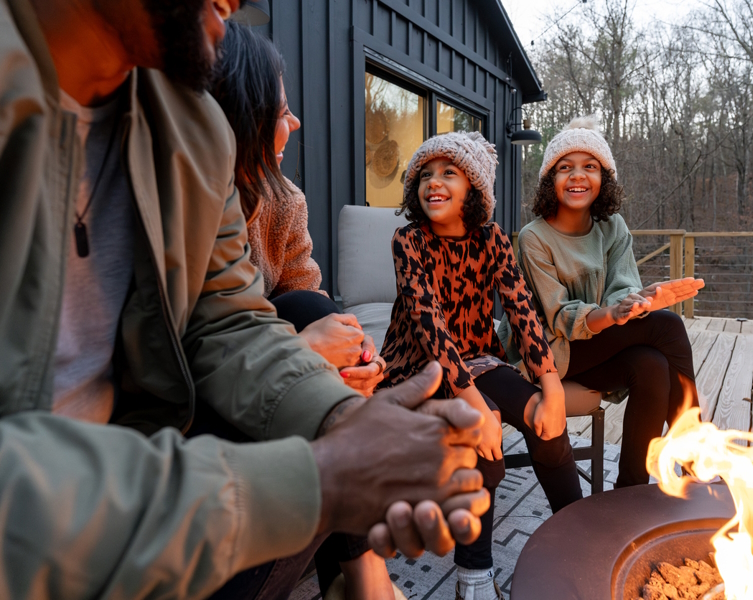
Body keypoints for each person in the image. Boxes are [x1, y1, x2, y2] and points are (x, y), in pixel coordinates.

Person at [0, 0, 490, 597]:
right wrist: (320, 479)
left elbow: (229, 319)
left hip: (145, 469)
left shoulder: (192, 127)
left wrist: (348, 419)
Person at [208, 23, 395, 598]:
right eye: (281, 112)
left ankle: (359, 571)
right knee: (309, 325)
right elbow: (206, 335)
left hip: (267, 376)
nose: (293, 124)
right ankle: (363, 573)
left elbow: (306, 299)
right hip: (216, 397)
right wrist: (302, 352)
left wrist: (362, 358)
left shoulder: (283, 201)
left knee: (311, 306)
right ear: (239, 115)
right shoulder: (190, 205)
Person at [379, 132, 584, 600]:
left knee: (543, 419)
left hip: (480, 358)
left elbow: (523, 310)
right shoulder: (408, 240)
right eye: (426, 175)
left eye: (449, 173)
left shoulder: (491, 238)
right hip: (419, 367)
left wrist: (550, 386)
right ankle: (473, 573)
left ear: (474, 188)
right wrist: (475, 404)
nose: (435, 183)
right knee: (479, 426)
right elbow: (432, 331)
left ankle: (579, 531)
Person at [505, 115, 704, 489]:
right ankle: (697, 456)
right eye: (565, 167)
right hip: (548, 353)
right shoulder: (534, 238)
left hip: (597, 343)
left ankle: (630, 489)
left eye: (590, 167)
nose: (578, 176)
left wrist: (635, 302)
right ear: (550, 180)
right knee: (669, 325)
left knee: (651, 364)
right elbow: (560, 317)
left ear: (604, 178)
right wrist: (612, 313)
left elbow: (623, 288)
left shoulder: (613, 227)